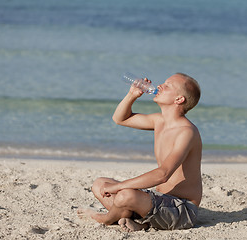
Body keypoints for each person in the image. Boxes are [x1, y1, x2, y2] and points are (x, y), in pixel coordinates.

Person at [78, 73, 202, 231]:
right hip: (158, 201)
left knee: (125, 195)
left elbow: (163, 174)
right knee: (99, 184)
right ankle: (137, 221)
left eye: (168, 85)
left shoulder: (187, 132)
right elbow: (120, 119)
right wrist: (132, 95)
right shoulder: (159, 121)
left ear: (179, 99)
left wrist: (119, 187)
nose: (160, 86)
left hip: (182, 210)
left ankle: (108, 219)